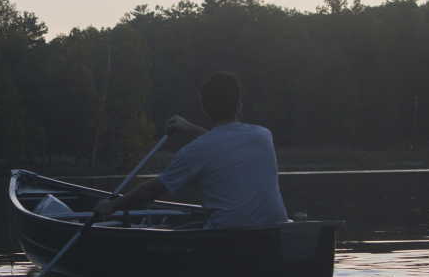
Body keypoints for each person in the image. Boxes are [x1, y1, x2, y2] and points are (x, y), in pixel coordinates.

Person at [93, 72, 289, 229]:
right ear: (239, 104)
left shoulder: (196, 150)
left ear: (204, 107)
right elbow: (224, 143)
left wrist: (111, 206)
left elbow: (150, 191)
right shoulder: (263, 136)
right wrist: (190, 128)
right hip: (272, 233)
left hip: (226, 238)